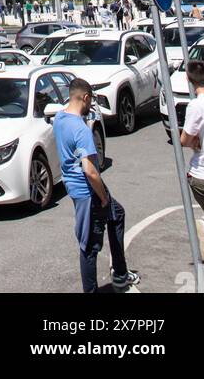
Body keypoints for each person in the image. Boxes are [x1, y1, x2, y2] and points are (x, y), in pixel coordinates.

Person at [53, 77, 140, 294]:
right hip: (87, 192)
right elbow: (90, 171)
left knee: (117, 213)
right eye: (90, 101)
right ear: (85, 97)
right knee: (89, 245)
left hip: (76, 187)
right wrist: (102, 197)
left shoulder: (59, 118)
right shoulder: (81, 130)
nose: (90, 106)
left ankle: (120, 274)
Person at [180, 59, 204, 279]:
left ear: (189, 81)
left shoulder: (196, 106)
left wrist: (196, 141)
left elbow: (184, 139)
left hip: (201, 174)